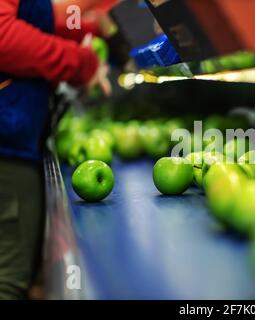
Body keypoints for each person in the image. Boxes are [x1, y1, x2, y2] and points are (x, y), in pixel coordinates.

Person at [0, 0, 113, 299]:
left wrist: (92, 28)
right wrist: (81, 63)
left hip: (15, 141)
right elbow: (2, 35)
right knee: (6, 280)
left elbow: (36, 17)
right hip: (6, 148)